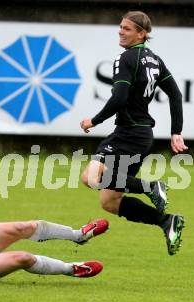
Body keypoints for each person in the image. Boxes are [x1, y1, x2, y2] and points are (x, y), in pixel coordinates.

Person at [79, 11, 188, 255]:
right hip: (142, 136)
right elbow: (176, 94)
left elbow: (119, 97)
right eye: (120, 27)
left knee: (91, 178)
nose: (120, 31)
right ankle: (167, 222)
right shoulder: (155, 60)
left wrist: (93, 121)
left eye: (127, 28)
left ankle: (150, 186)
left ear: (142, 34)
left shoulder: (126, 58)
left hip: (127, 134)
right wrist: (176, 132)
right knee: (110, 201)